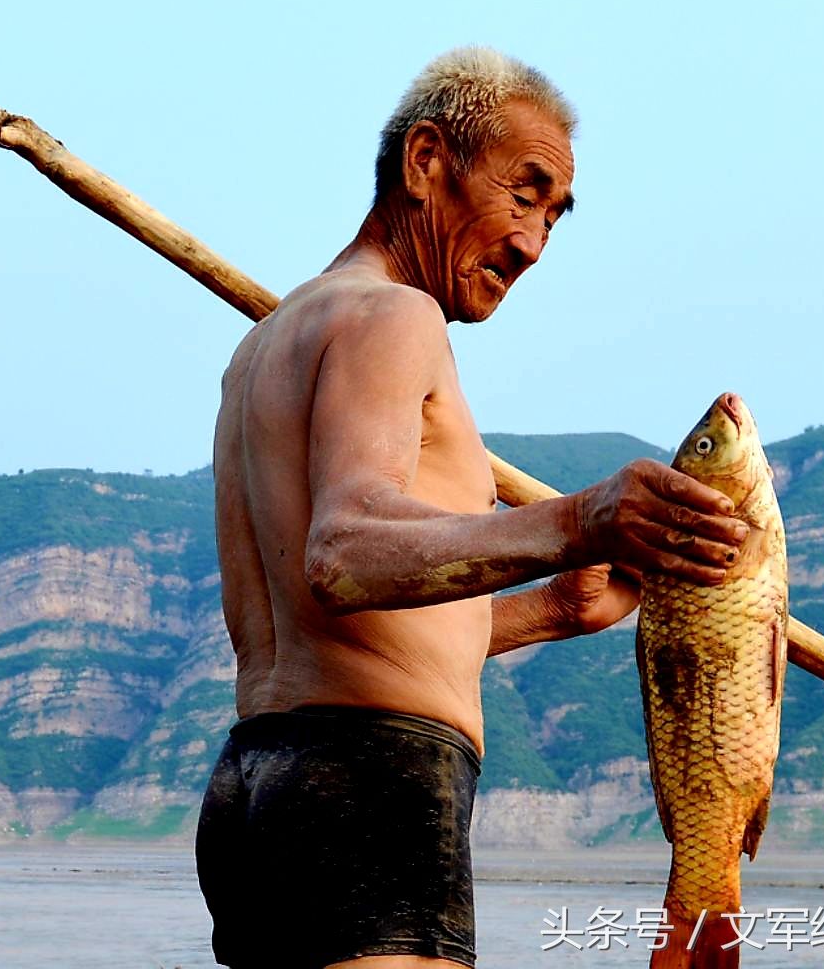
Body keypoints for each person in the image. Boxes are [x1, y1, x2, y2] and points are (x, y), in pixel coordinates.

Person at [197, 47, 750, 968]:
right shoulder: (393, 318)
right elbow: (344, 553)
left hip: (259, 787)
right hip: (368, 781)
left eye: (555, 215)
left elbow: (331, 613)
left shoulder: (263, 349)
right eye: (523, 193)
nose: (534, 244)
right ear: (425, 162)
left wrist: (556, 606)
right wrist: (584, 520)